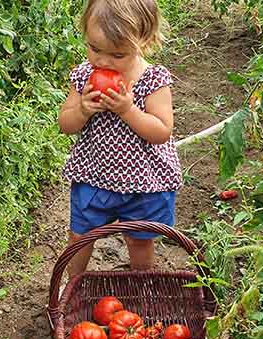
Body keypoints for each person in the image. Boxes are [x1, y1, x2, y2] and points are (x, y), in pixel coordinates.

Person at [58, 0, 182, 279]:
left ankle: (139, 283)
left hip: (144, 183)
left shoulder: (153, 80)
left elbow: (162, 131)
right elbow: (65, 124)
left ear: (144, 41)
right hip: (94, 175)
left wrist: (127, 110)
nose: (102, 61)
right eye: (94, 48)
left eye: (116, 54)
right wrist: (82, 110)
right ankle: (72, 286)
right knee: (79, 238)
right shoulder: (85, 77)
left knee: (139, 240)